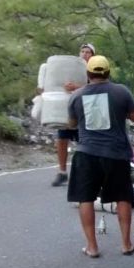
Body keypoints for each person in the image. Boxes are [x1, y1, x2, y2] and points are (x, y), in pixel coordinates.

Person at [66, 55, 134, 258]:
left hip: (87, 153)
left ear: (88, 74)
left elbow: (71, 124)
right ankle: (126, 244)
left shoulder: (76, 95)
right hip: (116, 154)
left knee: (85, 198)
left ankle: (92, 247)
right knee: (123, 197)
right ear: (108, 73)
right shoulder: (121, 92)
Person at [51, 43, 95, 186]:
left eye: (88, 52)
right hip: (68, 110)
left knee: (85, 143)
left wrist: (76, 87)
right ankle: (62, 172)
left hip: (86, 112)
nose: (84, 54)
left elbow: (98, 87)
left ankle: (87, 173)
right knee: (62, 139)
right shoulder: (71, 69)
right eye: (82, 51)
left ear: (92, 55)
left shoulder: (96, 70)